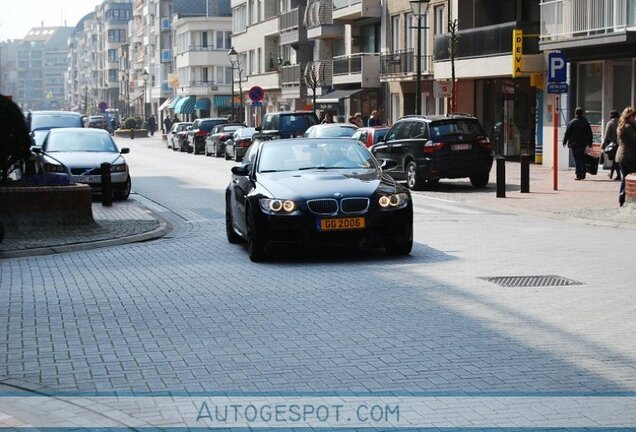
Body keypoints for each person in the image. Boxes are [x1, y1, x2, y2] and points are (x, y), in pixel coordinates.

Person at [562, 107, 593, 180]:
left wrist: (564, 141)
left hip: (574, 144)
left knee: (576, 159)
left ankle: (578, 174)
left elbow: (567, 133)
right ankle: (583, 173)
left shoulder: (571, 122)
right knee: (582, 158)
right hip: (583, 143)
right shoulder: (585, 122)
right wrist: (590, 142)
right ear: (582, 113)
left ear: (575, 113)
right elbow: (589, 133)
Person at [616, 106, 636, 206]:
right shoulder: (628, 127)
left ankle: (622, 198)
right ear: (629, 116)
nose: (635, 117)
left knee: (625, 177)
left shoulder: (621, 126)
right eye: (634, 115)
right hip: (629, 156)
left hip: (622, 155)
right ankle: (623, 197)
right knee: (629, 177)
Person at [602, 110, 620, 180]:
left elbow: (607, 135)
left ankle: (617, 175)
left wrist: (603, 143)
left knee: (615, 160)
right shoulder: (621, 122)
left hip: (613, 144)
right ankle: (612, 174)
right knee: (615, 160)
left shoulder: (610, 123)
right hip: (621, 143)